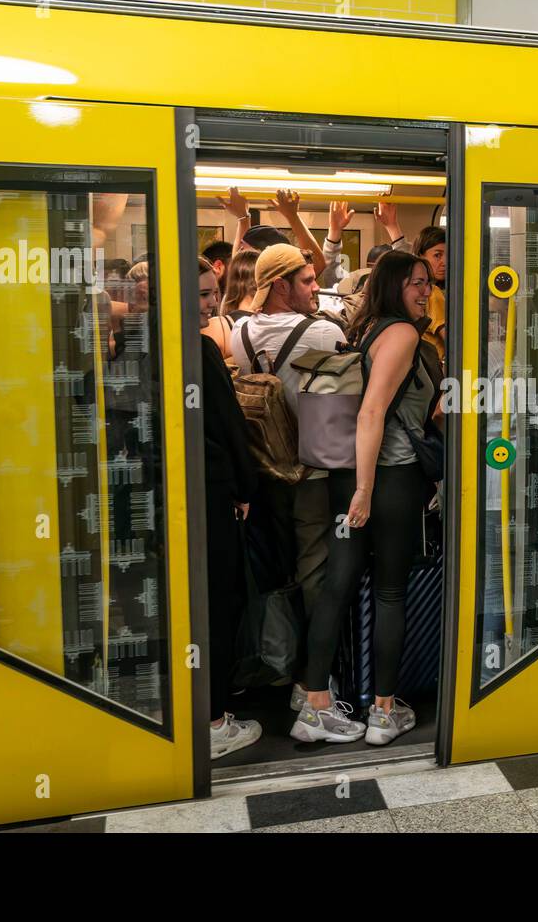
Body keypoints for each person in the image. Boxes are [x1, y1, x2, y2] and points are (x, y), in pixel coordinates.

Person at [291, 250, 437, 745]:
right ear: (395, 284)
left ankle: (314, 707)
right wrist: (367, 490)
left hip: (345, 477)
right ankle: (383, 711)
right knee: (390, 590)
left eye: (428, 282)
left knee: (338, 583)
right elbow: (372, 412)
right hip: (387, 480)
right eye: (417, 282)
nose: (426, 290)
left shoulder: (366, 329)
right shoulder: (402, 334)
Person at [229, 244, 344, 686]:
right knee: (316, 570)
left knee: (281, 569)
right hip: (311, 469)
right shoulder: (319, 334)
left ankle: (279, 657)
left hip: (265, 471)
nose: (316, 289)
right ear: (280, 285)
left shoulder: (239, 333)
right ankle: (314, 675)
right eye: (307, 281)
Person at [196, 257, 263, 759]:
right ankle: (215, 719)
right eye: (197, 294)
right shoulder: (198, 350)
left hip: (171, 496)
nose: (208, 303)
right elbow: (229, 427)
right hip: (211, 492)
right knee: (218, 604)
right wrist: (245, 489)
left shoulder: (135, 346)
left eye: (211, 292)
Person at [321, 200, 409, 293]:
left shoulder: (396, 291)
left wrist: (392, 227)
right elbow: (331, 272)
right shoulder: (353, 287)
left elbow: (408, 270)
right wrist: (334, 231)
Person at [413, 224, 447, 366]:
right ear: (421, 257)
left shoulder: (414, 291)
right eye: (437, 255)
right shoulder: (433, 293)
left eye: (448, 255)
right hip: (437, 368)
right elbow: (449, 338)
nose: (444, 262)